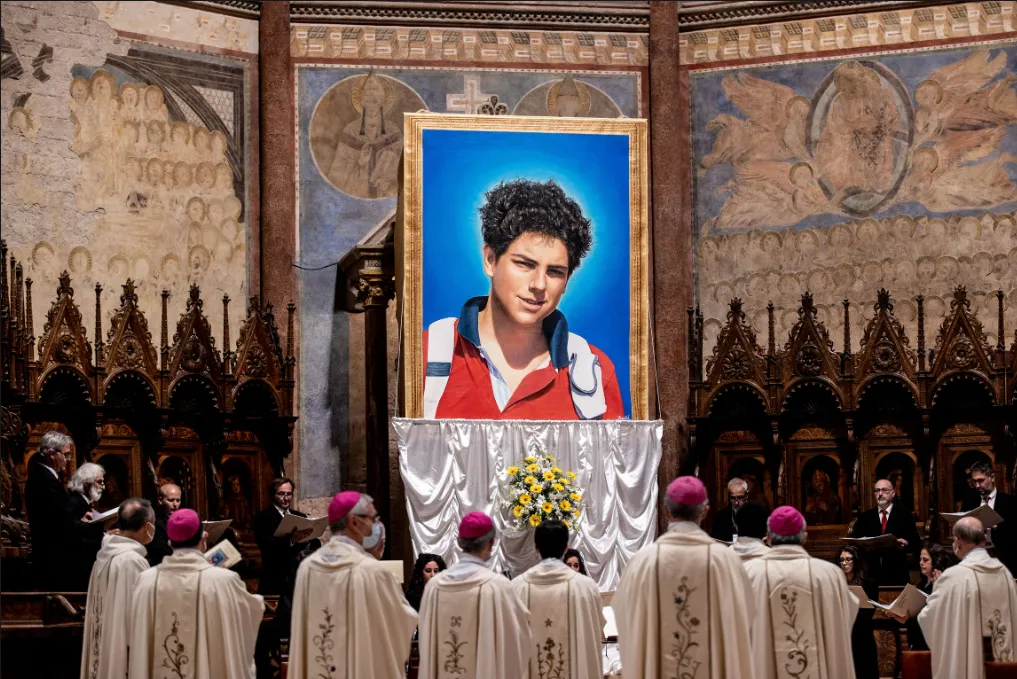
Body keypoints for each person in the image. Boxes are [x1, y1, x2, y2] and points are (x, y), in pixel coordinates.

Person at [421, 179, 624, 420]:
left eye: (554, 272)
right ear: (490, 260)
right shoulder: (428, 353)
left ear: (567, 281)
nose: (539, 284)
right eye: (525, 264)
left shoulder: (595, 373)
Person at [614, 476, 757, 678]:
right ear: (705, 512)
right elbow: (746, 619)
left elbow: (624, 617)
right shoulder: (725, 560)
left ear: (666, 511)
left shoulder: (643, 562)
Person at [288, 491, 418, 679]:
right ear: (354, 522)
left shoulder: (308, 568)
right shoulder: (372, 571)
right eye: (373, 518)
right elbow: (401, 626)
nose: (376, 525)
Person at [128, 509, 264, 679]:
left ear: (170, 543)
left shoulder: (146, 581)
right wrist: (257, 602)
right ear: (204, 537)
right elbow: (249, 613)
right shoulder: (223, 580)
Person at [745, 506, 858, 679]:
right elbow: (845, 618)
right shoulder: (828, 574)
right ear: (805, 536)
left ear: (768, 537)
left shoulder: (750, 573)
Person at [418, 512, 530, 679]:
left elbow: (425, 642)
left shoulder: (434, 587)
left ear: (459, 543)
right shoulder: (498, 587)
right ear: (491, 544)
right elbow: (518, 642)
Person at [918, 517, 1017, 676]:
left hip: (970, 666)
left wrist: (935, 594)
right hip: (1003, 665)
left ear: (958, 541)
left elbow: (928, 618)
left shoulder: (954, 577)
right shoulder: (1005, 574)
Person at [511, 520, 604, 679]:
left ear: (536, 549)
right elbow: (595, 632)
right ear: (566, 548)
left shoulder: (517, 587)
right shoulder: (586, 587)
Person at [80, 498, 155, 679]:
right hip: (122, 655)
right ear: (147, 527)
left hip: (105, 652)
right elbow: (141, 617)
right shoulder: (132, 561)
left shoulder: (104, 555)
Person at [25, 432, 103, 590]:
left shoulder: (41, 476)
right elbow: (63, 525)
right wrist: (95, 528)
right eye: (66, 454)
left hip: (53, 556)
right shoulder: (46, 480)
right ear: (52, 453)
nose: (69, 459)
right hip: (56, 559)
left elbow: (59, 518)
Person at [252, 478, 320, 595]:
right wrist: (291, 540)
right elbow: (267, 547)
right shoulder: (262, 517)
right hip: (275, 578)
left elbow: (313, 543)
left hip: (298, 577)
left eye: (289, 494)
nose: (286, 498)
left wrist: (309, 538)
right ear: (273, 495)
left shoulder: (300, 516)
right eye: (281, 494)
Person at [849, 478, 921, 585]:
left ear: (893, 493)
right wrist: (864, 546)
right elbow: (855, 543)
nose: (880, 494)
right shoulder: (865, 517)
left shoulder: (905, 516)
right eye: (877, 490)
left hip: (897, 572)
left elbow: (916, 543)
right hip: (870, 574)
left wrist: (906, 543)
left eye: (884, 490)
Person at [962, 461, 1016, 576]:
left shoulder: (1010, 502)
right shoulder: (969, 503)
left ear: (992, 478)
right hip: (976, 560)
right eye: (974, 481)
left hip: (1004, 560)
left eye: (981, 480)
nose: (977, 485)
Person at [903, 542, 958, 651]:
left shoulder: (943, 584)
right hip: (917, 638)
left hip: (933, 642)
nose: (921, 563)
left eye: (925, 560)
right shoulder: (921, 585)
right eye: (920, 559)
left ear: (936, 561)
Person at [839, 545, 878, 679]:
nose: (844, 563)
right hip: (843, 635)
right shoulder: (837, 583)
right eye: (841, 560)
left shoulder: (869, 583)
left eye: (848, 559)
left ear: (856, 561)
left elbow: (869, 613)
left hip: (862, 636)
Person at [147, 483, 180, 567]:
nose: (175, 504)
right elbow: (160, 552)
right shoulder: (155, 521)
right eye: (171, 500)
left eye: (178, 500)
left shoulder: (181, 518)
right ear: (160, 500)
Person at [709, 477, 748, 542]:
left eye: (739, 498)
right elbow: (715, 540)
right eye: (733, 498)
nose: (736, 502)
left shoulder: (755, 515)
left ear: (746, 496)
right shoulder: (720, 517)